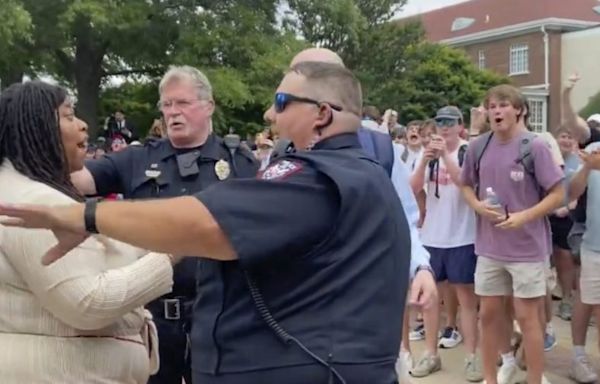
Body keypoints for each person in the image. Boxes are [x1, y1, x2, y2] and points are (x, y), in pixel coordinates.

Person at [0, 62, 411, 384]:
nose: (270, 112)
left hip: (313, 365)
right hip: (172, 327)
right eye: (167, 105)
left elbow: (208, 225)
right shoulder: (343, 171)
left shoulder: (315, 177)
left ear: (322, 114)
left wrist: (85, 217)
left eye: (282, 101)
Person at [71, 65, 258, 384]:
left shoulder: (239, 162)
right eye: (167, 105)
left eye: (182, 103)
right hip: (152, 320)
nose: (173, 113)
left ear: (208, 106)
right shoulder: (137, 159)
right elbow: (79, 180)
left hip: (221, 319)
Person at [0, 81, 176, 383]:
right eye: (68, 116)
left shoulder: (27, 192)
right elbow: (88, 303)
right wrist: (170, 250)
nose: (83, 126)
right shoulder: (33, 201)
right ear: (38, 129)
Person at [460, 85, 565, 384]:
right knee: (489, 315)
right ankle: (491, 378)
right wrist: (477, 206)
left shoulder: (535, 146)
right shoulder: (479, 146)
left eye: (503, 105)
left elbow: (558, 194)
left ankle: (534, 379)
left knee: (528, 319)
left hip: (527, 250)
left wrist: (524, 216)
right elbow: (465, 184)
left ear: (519, 110)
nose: (495, 111)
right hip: (489, 248)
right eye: (491, 106)